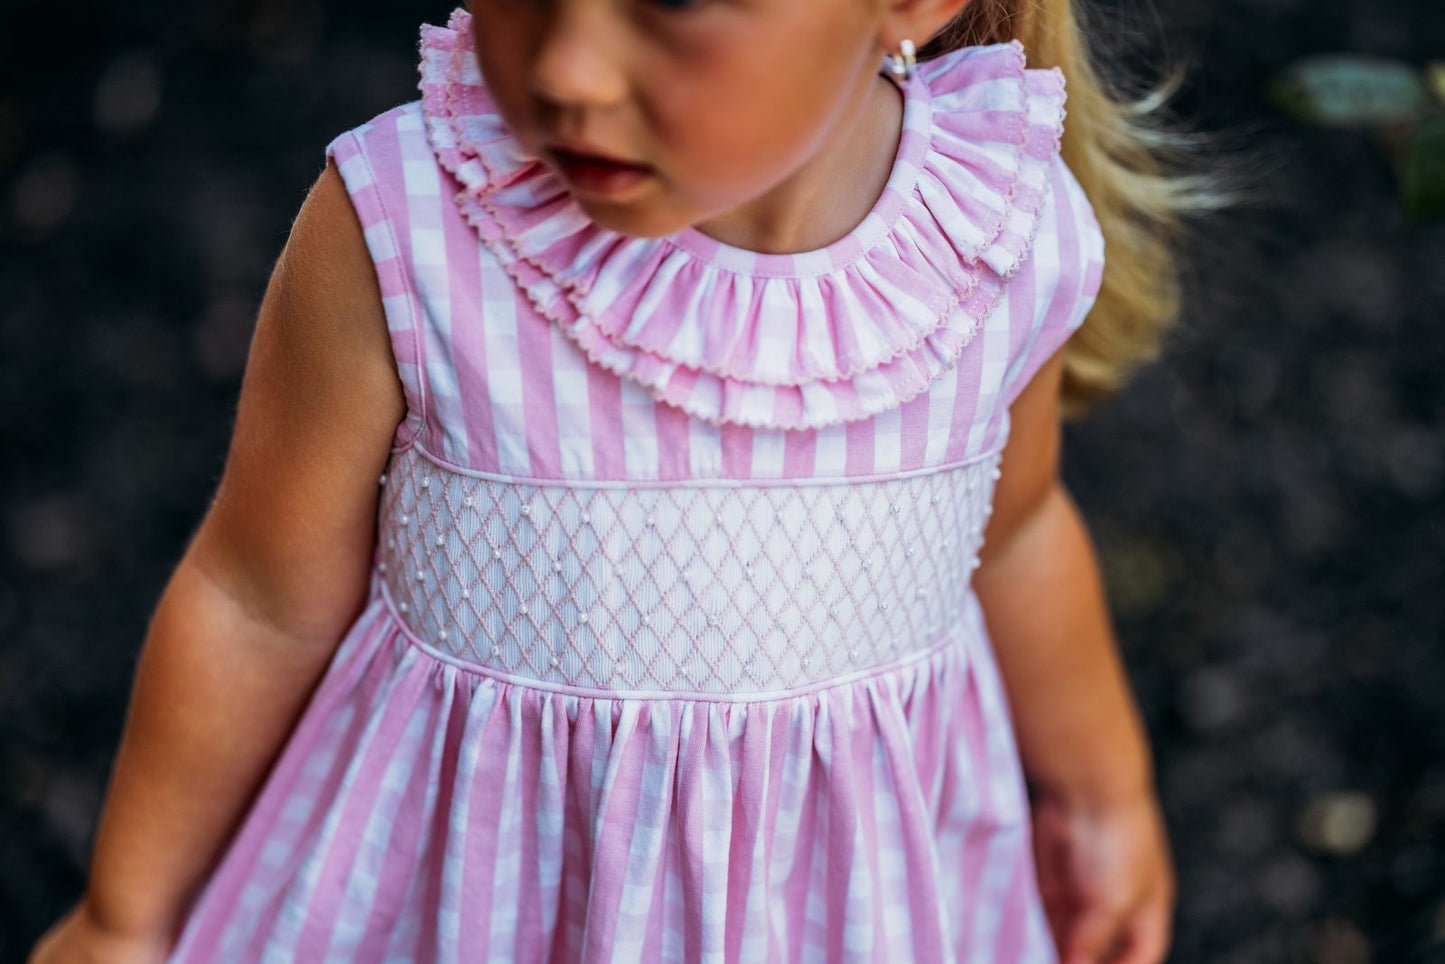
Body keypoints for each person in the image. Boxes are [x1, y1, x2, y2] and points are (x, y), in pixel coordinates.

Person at [29, 0, 1229, 957]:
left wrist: (1099, 790)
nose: (567, 66)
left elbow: (1011, 537)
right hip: (468, 900)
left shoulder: (995, 243)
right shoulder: (412, 229)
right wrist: (129, 916)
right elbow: (256, 597)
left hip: (851, 909)